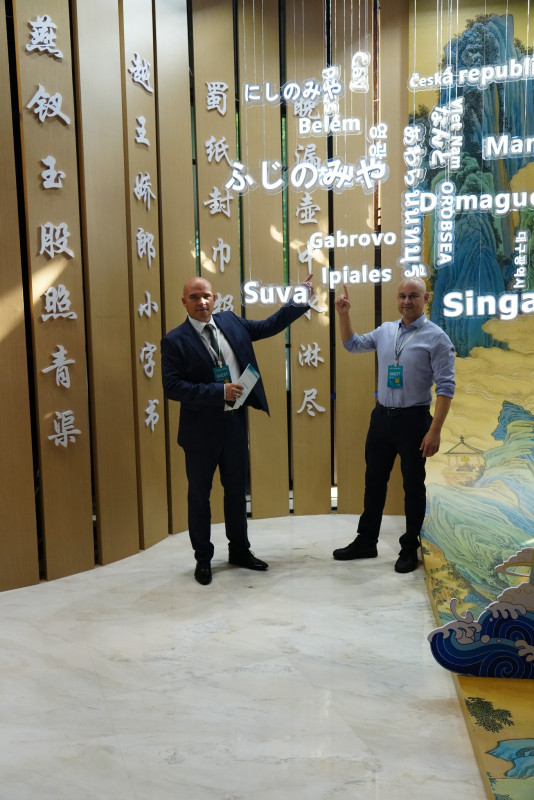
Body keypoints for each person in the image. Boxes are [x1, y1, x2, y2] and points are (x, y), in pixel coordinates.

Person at [161, 274, 313, 585]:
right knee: (199, 497)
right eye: (194, 297)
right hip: (199, 432)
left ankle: (240, 550)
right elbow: (173, 387)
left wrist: (298, 301)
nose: (202, 302)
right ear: (184, 302)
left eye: (206, 295)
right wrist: (219, 392)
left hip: (234, 425)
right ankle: (203, 558)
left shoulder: (231, 322)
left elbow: (269, 326)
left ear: (214, 298)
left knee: (235, 494)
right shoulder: (174, 340)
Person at [333, 277, 455, 573]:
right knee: (374, 481)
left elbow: (446, 388)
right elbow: (352, 344)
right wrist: (344, 315)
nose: (406, 301)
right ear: (397, 298)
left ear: (425, 298)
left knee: (412, 486)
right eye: (402, 296)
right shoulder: (386, 330)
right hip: (382, 419)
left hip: (414, 421)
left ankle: (410, 546)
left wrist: (435, 430)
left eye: (413, 296)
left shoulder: (437, 338)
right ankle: (366, 540)